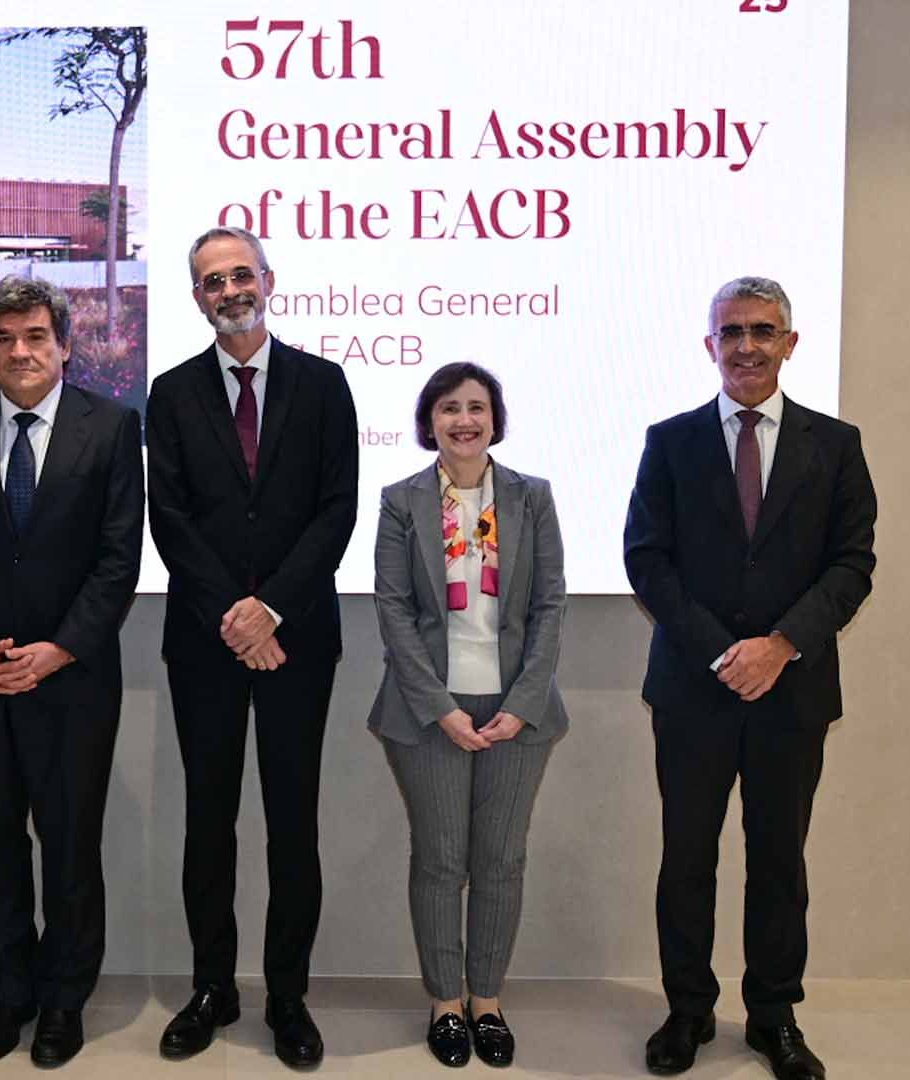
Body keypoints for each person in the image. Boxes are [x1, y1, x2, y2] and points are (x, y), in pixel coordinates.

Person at [624, 277, 876, 1080]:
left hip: (792, 691)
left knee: (778, 860)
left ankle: (773, 1016)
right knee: (687, 859)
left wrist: (780, 646)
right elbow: (646, 559)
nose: (746, 345)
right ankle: (687, 1013)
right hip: (694, 691)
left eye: (763, 330)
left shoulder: (836, 444)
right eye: (731, 331)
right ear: (710, 346)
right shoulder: (670, 441)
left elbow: (852, 564)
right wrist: (723, 651)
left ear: (790, 344)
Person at [0, 276, 144, 1068]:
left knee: (71, 845)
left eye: (36, 335)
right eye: (4, 338)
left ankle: (61, 1002)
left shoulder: (111, 428)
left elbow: (118, 561)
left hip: (72, 680)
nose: (20, 351)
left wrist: (60, 649)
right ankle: (6, 995)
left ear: (65, 345)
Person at [146, 226, 359, 1067]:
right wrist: (234, 616)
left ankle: (288, 997)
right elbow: (172, 519)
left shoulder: (323, 383)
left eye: (240, 274)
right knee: (209, 823)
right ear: (196, 297)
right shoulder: (170, 392)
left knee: (291, 825)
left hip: (298, 640)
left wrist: (270, 609)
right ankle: (211, 988)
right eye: (211, 281)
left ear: (268, 280)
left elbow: (335, 510)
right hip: (205, 642)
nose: (229, 290)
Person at [369, 362, 568, 1068]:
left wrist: (521, 705)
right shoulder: (400, 501)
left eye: (476, 407)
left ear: (495, 417)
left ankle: (487, 1001)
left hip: (519, 712)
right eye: (449, 408)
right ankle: (445, 1005)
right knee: (441, 861)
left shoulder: (531, 497)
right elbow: (392, 610)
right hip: (429, 714)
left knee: (501, 862)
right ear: (429, 422)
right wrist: (441, 709)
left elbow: (549, 606)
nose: (464, 420)